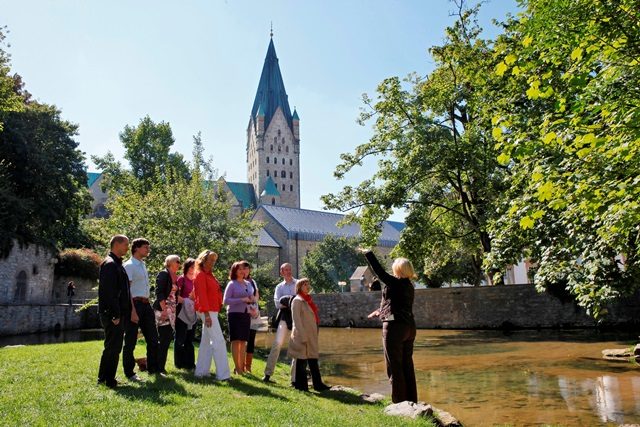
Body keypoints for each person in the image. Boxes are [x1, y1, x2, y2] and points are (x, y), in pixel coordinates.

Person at [362, 249, 418, 403]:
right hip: (409, 327)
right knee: (407, 364)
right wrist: (379, 312)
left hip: (395, 329)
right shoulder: (409, 285)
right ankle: (411, 400)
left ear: (398, 269)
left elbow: (379, 272)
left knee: (394, 366)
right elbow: (396, 305)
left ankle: (399, 403)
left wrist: (368, 253)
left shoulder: (396, 282)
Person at [122, 238, 160, 381]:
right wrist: (132, 310)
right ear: (136, 248)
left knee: (153, 339)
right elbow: (127, 291)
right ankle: (130, 373)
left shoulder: (143, 265)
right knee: (131, 340)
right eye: (145, 247)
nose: (148, 250)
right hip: (134, 305)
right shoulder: (129, 265)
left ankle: (153, 369)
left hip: (146, 305)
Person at [97, 235, 131, 388]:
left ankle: (106, 377)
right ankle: (106, 379)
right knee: (112, 346)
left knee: (113, 346)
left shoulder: (117, 264)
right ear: (116, 244)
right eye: (126, 244)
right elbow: (109, 293)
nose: (127, 247)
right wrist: (115, 315)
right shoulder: (110, 264)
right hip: (112, 314)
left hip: (117, 313)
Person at [193, 250, 231, 380]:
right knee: (219, 341)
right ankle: (223, 375)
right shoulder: (201, 275)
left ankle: (201, 372)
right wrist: (207, 315)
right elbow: (201, 296)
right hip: (207, 311)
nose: (213, 263)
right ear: (203, 260)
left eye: (214, 260)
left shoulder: (209, 274)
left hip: (211, 310)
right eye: (211, 260)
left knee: (206, 342)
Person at [288, 278, 330, 392]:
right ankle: (301, 386)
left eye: (308, 284)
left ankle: (318, 384)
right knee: (301, 361)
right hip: (302, 335)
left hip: (311, 334)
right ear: (299, 287)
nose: (308, 286)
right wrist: (302, 336)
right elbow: (296, 320)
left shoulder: (307, 300)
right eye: (305, 285)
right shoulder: (297, 300)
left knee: (313, 359)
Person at [262, 263, 297, 383]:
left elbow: (302, 300)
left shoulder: (298, 283)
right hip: (283, 317)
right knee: (277, 344)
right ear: (281, 272)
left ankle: (294, 379)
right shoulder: (279, 287)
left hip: (296, 317)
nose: (288, 272)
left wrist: (287, 300)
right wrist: (291, 300)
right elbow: (278, 304)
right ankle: (267, 374)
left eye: (289, 269)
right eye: (285, 270)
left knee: (296, 346)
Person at [223, 261, 256, 375]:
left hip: (246, 314)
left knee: (243, 341)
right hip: (234, 314)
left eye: (243, 269)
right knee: (236, 341)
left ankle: (241, 368)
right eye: (239, 269)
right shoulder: (232, 284)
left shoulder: (248, 283)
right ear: (234, 271)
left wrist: (252, 304)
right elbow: (225, 301)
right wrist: (241, 300)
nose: (242, 271)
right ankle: (237, 368)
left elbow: (251, 298)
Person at [154, 254, 181, 375]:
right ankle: (158, 368)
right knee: (163, 338)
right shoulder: (163, 274)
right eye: (177, 261)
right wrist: (164, 309)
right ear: (169, 262)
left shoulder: (176, 276)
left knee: (167, 338)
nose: (179, 264)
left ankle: (159, 366)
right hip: (163, 310)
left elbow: (175, 296)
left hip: (172, 310)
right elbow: (159, 292)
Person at [174, 258, 196, 370]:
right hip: (182, 313)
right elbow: (175, 296)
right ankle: (179, 363)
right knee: (180, 338)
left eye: (195, 267)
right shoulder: (181, 279)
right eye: (192, 266)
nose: (194, 269)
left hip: (192, 313)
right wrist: (187, 300)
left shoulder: (196, 280)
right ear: (187, 267)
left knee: (190, 339)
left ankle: (190, 364)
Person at [243, 261, 260, 373]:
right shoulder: (238, 281)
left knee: (251, 339)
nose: (245, 271)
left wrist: (254, 305)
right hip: (242, 313)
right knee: (242, 340)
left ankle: (248, 366)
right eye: (243, 268)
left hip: (253, 313)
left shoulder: (252, 281)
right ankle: (240, 365)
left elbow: (257, 295)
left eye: (247, 268)